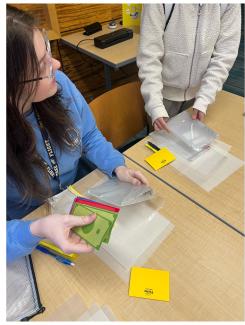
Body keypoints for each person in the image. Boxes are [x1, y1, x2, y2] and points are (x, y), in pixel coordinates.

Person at [7, 6, 148, 263]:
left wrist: (117, 166)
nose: (57, 65)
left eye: (48, 53)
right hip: (29, 231)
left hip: (78, 198)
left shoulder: (59, 85)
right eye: (43, 65)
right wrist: (35, 229)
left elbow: (89, 135)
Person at [137, 4, 241, 131]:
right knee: (160, 147)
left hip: (202, 95)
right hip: (162, 97)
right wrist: (155, 105)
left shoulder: (229, 4)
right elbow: (149, 57)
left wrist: (204, 98)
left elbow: (225, 55)